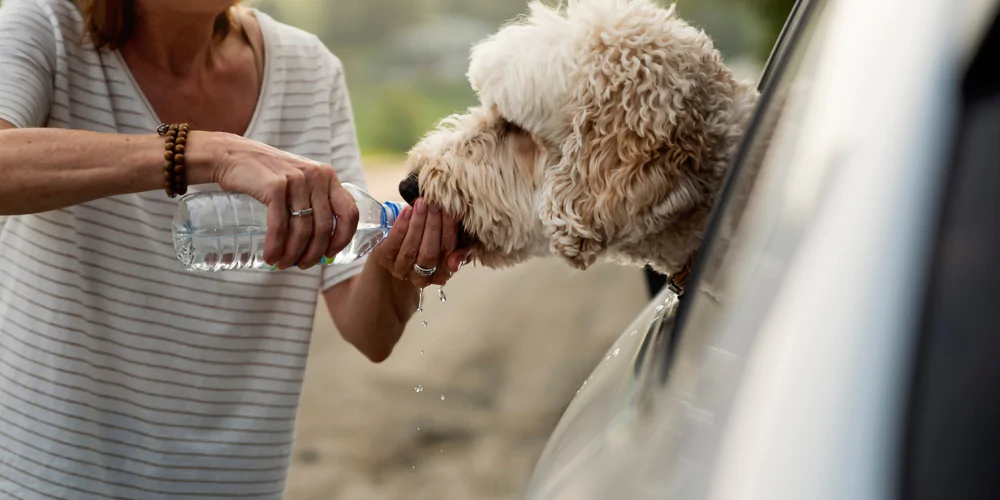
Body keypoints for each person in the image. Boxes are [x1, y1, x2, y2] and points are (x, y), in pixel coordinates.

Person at [0, 0, 467, 497]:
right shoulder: (44, 27)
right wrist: (208, 152)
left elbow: (370, 331)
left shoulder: (309, 70)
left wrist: (400, 257)